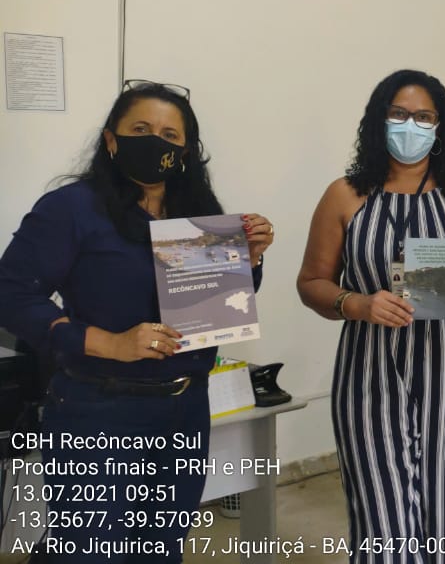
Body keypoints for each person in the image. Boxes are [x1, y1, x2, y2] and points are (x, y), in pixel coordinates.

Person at [0, 79, 274, 562]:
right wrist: (106, 342)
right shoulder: (71, 208)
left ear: (186, 151)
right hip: (98, 411)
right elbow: (11, 294)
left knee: (161, 549)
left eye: (170, 136)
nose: (155, 143)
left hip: (185, 409)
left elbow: (216, 307)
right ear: (112, 140)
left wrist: (247, 260)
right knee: (90, 551)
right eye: (141, 130)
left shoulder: (196, 215)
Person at [297, 69, 445, 563]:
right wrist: (356, 303)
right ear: (379, 120)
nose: (410, 125)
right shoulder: (344, 195)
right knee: (382, 516)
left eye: (423, 117)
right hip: (370, 372)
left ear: (440, 127)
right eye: (399, 114)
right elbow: (311, 282)